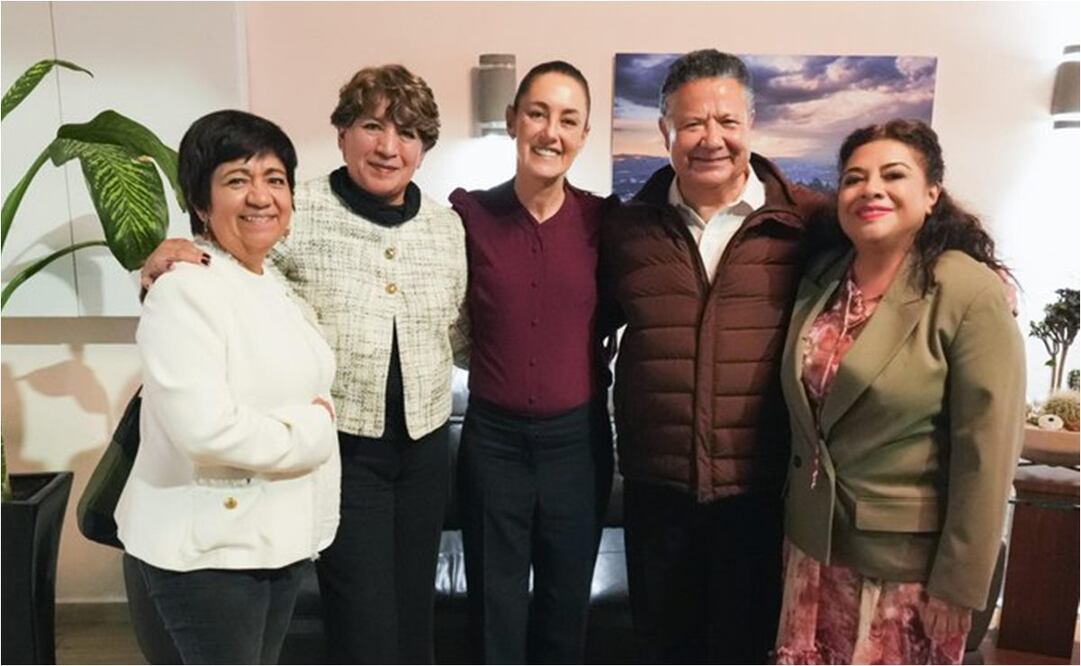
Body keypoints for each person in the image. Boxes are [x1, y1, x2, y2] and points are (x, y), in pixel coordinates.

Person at [140, 65, 468, 664]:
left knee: (415, 609)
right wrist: (160, 256)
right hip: (338, 443)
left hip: (423, 446)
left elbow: (460, 329)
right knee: (363, 614)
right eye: (371, 125)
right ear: (342, 132)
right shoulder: (291, 208)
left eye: (408, 132)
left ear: (425, 148)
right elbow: (223, 262)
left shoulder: (447, 227)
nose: (388, 146)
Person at [598, 49, 826, 664]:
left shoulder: (805, 223)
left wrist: (978, 272)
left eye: (727, 121)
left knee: (746, 651)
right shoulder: (627, 228)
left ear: (751, 124)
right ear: (666, 131)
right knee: (661, 650)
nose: (711, 139)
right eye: (693, 123)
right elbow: (581, 324)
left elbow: (893, 253)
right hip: (657, 491)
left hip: (760, 496)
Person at [774, 119, 1025, 665]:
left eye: (894, 175)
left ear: (932, 193)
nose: (871, 190)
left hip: (909, 571)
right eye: (854, 179)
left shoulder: (966, 289)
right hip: (812, 550)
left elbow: (987, 452)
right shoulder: (824, 278)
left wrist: (959, 584)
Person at [115, 109, 340, 664]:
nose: (260, 196)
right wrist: (314, 432)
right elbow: (204, 430)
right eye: (237, 180)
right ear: (200, 204)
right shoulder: (184, 290)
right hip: (207, 554)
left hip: (270, 542)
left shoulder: (270, 282)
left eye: (275, 179)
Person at [448, 61, 616, 664]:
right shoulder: (468, 216)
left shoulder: (606, 222)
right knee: (494, 608)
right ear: (514, 120)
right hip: (493, 444)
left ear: (584, 135)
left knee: (565, 608)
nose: (552, 131)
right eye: (539, 114)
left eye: (569, 120)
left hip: (578, 445)